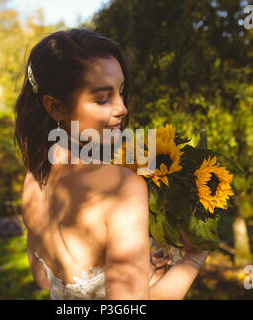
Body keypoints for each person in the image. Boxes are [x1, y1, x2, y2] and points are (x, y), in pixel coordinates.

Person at [14, 28, 208, 300]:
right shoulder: (123, 187)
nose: (121, 108)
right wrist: (194, 258)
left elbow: (44, 279)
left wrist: (131, 276)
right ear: (54, 107)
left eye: (120, 91)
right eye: (102, 98)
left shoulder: (35, 177)